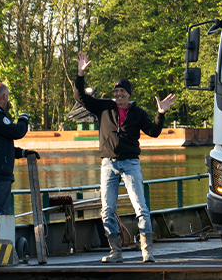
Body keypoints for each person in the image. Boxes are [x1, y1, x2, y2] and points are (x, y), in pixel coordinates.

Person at [74, 52, 175, 263]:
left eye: (122, 91)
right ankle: (116, 252)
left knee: (140, 208)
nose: (118, 94)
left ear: (128, 94)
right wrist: (80, 74)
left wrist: (161, 113)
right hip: (108, 164)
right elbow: (80, 97)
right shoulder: (104, 107)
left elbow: (154, 132)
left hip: (130, 164)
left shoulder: (138, 113)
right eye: (116, 91)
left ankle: (147, 251)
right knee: (107, 210)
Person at [0, 82, 40, 214]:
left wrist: (22, 153)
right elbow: (17, 132)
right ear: (4, 97)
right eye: (8, 97)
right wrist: (24, 119)